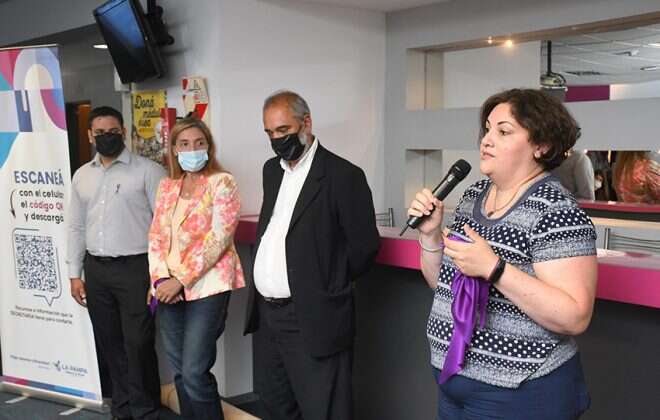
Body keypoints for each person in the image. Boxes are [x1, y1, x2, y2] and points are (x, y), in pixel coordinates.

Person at [407, 89, 597, 419]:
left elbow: (574, 316)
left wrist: (495, 268)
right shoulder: (474, 196)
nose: (486, 140)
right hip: (453, 382)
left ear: (542, 145)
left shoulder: (557, 210)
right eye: (487, 129)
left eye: (504, 131)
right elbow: (442, 284)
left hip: (520, 393)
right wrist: (430, 235)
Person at [244, 90, 380, 420]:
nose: (277, 140)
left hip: (313, 316)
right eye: (270, 133)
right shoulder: (271, 171)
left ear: (306, 123)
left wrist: (324, 283)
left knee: (324, 410)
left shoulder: (343, 176)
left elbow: (364, 248)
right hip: (267, 316)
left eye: (284, 130)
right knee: (276, 405)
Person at [67, 106, 165, 420]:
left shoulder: (149, 171)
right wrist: (74, 273)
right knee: (110, 342)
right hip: (96, 270)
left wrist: (159, 275)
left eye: (112, 132)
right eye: (100, 133)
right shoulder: (82, 175)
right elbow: (76, 226)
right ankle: (122, 410)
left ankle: (146, 410)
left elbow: (164, 227)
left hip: (137, 269)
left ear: (123, 132)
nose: (106, 137)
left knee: (138, 343)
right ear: (89, 136)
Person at [148, 117, 245, 420]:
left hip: (207, 286)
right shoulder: (167, 186)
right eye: (185, 144)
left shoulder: (222, 182)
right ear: (174, 149)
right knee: (180, 372)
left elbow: (220, 237)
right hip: (168, 288)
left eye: (199, 143)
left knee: (194, 371)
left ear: (209, 147)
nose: (193, 149)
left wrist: (180, 279)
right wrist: (160, 279)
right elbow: (156, 235)